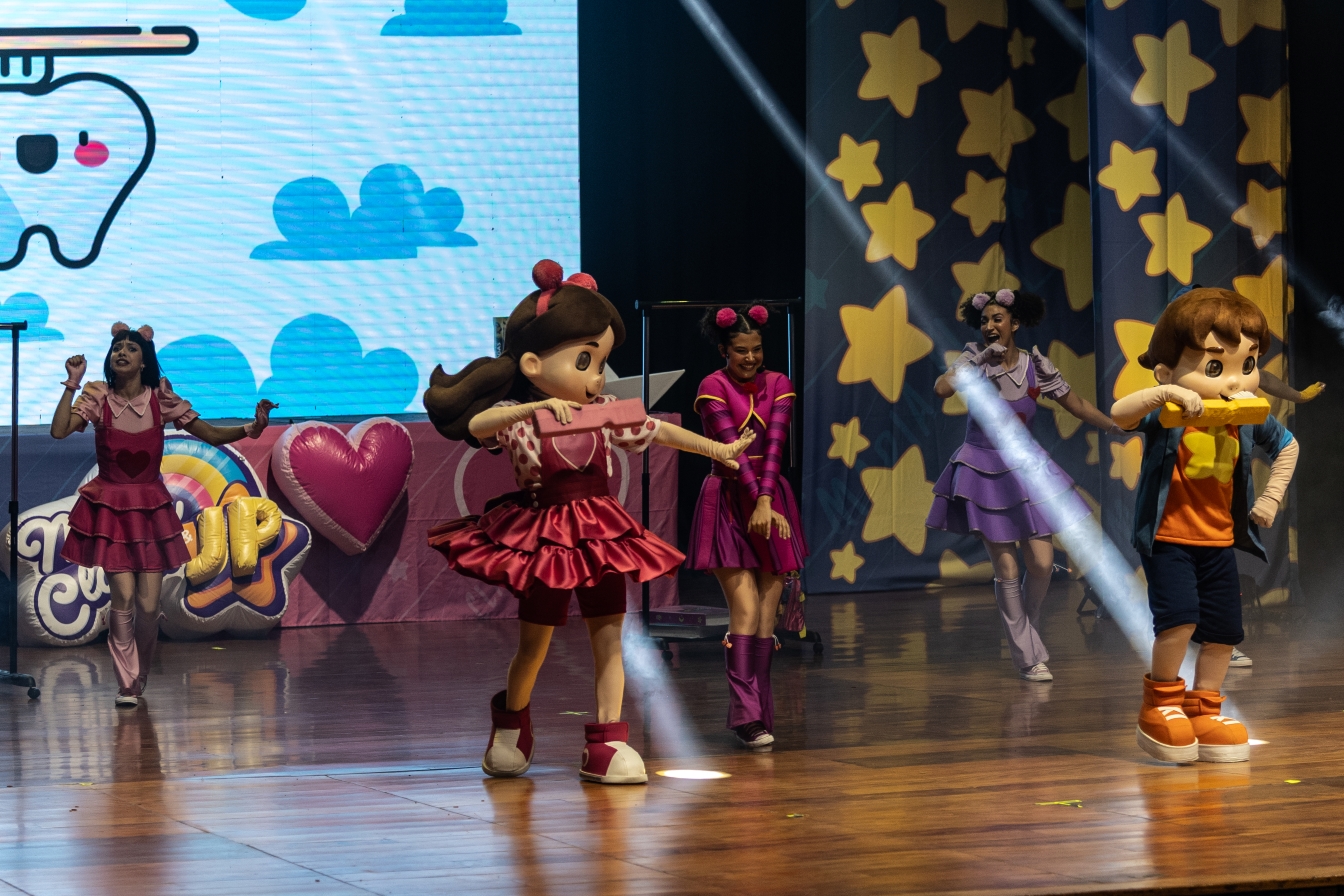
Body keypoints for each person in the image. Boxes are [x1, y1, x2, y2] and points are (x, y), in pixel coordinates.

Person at [423, 260, 753, 784]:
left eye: (600, 361)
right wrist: (523, 412)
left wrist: (719, 449)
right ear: (533, 363)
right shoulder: (522, 418)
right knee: (534, 644)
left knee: (610, 637)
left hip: (602, 535)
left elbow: (657, 430)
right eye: (585, 360)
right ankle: (511, 726)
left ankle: (607, 741)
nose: (597, 375)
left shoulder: (602, 410)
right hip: (546, 537)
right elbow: (479, 424)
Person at [1111, 288, 1297, 763]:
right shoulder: (1169, 414)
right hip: (1168, 538)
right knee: (1179, 620)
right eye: (1215, 367)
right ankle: (1160, 705)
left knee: (1225, 631)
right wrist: (1164, 393)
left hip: (1218, 541)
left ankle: (1205, 709)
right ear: (1167, 370)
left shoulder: (1246, 420)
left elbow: (1288, 446)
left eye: (1247, 364)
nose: (1235, 379)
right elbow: (1119, 416)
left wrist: (1271, 497)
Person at [51, 323, 276, 707]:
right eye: (116, 348)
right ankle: (126, 684)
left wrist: (253, 427)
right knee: (123, 596)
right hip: (111, 508)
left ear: (144, 361)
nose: (121, 352)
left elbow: (211, 434)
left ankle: (139, 676)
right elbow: (58, 431)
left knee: (149, 606)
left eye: (130, 348)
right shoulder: (98, 396)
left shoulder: (161, 399)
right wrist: (72, 383)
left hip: (150, 509)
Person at [928, 289, 1118, 682]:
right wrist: (978, 360)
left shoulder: (1036, 366)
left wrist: (1116, 427)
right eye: (984, 320)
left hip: (1027, 470)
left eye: (997, 319)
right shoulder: (973, 358)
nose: (989, 325)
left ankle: (1026, 631)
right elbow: (942, 389)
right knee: (1007, 567)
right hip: (983, 469)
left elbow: (1077, 404)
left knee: (1043, 563)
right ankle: (1027, 656)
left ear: (1014, 324)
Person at [687, 305, 808, 751]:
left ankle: (759, 715)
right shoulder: (712, 387)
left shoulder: (779, 383)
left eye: (756, 349)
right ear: (724, 350)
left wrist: (766, 500)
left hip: (770, 499)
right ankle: (745, 716)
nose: (751, 357)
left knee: (766, 616)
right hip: (727, 499)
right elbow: (730, 450)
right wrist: (758, 500)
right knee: (744, 608)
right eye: (741, 350)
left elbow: (774, 445)